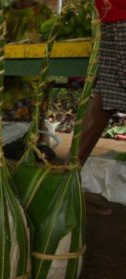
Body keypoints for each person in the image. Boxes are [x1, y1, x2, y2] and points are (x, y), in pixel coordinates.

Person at [1, 0, 55, 159]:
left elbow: (51, 43)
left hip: (33, 74)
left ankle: (40, 142)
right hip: (6, 74)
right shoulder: (3, 14)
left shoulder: (43, 13)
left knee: (36, 89)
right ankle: (17, 142)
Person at [78, 0, 126, 165]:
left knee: (105, 91)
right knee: (106, 91)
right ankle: (70, 170)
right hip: (109, 15)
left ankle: (70, 169)